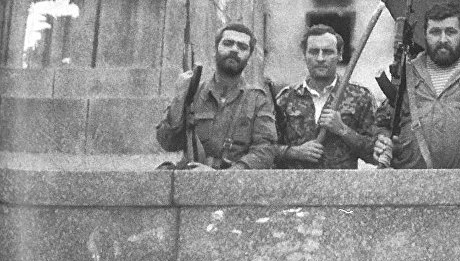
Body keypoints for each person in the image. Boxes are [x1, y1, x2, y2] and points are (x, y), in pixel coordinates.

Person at [373, 2, 460, 169]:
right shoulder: (407, 73)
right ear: (425, 35)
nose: (443, 40)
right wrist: (382, 141)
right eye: (435, 32)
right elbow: (383, 122)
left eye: (450, 32)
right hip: (413, 181)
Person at [156, 22, 276, 169]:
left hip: (234, 183)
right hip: (190, 178)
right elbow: (168, 143)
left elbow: (265, 150)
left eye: (242, 47)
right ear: (215, 49)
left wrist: (223, 178)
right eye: (228, 43)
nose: (234, 50)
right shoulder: (193, 93)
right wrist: (179, 99)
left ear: (249, 57)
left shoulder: (257, 99)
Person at [271, 25, 379, 169]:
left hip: (341, 188)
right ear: (305, 55)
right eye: (314, 52)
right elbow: (265, 149)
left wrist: (343, 130)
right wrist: (294, 152)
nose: (320, 58)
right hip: (295, 188)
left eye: (328, 52)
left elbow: (376, 155)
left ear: (340, 55)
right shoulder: (285, 99)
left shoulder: (360, 97)